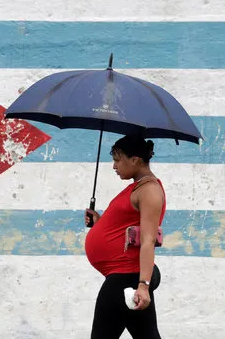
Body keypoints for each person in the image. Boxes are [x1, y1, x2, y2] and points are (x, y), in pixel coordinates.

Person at [84, 134, 166, 339]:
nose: (114, 166)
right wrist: (99, 223)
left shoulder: (149, 190)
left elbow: (148, 240)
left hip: (127, 276)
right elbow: (128, 226)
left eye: (117, 160)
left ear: (135, 159)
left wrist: (143, 286)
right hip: (128, 275)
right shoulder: (138, 188)